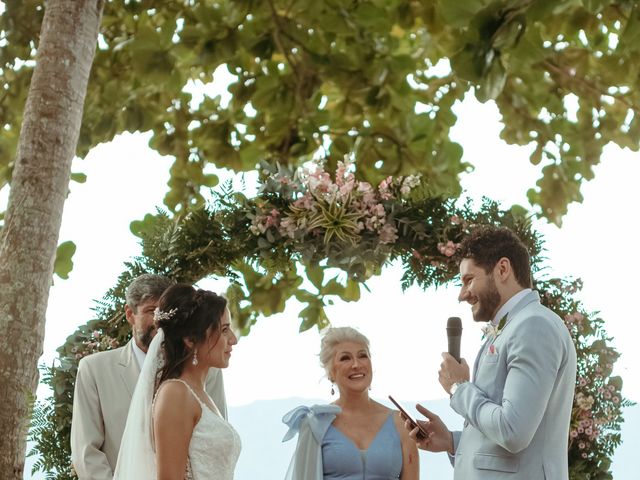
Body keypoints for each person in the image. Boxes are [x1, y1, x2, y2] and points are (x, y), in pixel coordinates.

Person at [406, 226, 577, 479]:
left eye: (469, 280)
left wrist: (459, 388)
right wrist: (453, 442)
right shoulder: (515, 325)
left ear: (503, 269)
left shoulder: (533, 325)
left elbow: (512, 431)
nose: (462, 295)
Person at [70, 274, 228, 479]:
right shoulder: (94, 369)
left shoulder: (208, 370)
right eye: (151, 311)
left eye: (164, 313)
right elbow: (86, 453)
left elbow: (217, 438)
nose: (158, 321)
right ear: (129, 314)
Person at [114, 283, 241, 479]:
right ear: (190, 339)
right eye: (224, 330)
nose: (233, 339)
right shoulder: (175, 393)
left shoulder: (200, 393)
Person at [283, 326, 419, 480]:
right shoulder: (315, 423)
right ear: (330, 373)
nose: (356, 364)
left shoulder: (401, 423)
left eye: (363, 356)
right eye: (345, 358)